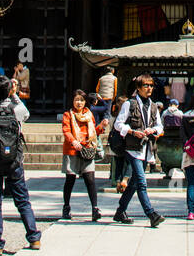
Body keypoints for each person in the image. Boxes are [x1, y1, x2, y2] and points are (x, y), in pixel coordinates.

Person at [0, 74, 40, 253]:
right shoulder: (18, 110)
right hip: (15, 160)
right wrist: (14, 94)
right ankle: (34, 238)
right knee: (22, 201)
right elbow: (25, 112)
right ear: (9, 90)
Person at [112, 73, 165, 227]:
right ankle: (151, 214)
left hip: (146, 148)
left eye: (151, 85)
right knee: (141, 182)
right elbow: (118, 124)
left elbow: (160, 126)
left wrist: (152, 130)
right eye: (145, 85)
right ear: (138, 88)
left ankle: (120, 211)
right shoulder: (130, 103)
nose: (149, 88)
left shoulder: (154, 106)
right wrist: (132, 131)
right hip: (132, 148)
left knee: (134, 183)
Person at [60, 90, 102, 221]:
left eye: (82, 100)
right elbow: (66, 130)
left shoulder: (89, 115)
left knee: (90, 179)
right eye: (77, 100)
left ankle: (95, 208)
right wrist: (73, 141)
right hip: (72, 150)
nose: (79, 103)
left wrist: (101, 127)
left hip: (87, 149)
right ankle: (66, 207)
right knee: (70, 180)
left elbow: (94, 132)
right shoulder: (68, 115)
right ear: (72, 101)